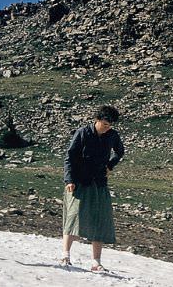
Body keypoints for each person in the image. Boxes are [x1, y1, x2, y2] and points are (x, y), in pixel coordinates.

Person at [61, 105, 124, 272]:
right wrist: (69, 179)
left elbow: (120, 151)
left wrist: (110, 165)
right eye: (104, 124)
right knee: (74, 216)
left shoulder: (112, 135)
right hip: (80, 181)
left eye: (110, 125)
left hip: (99, 182)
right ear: (97, 120)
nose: (107, 127)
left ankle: (96, 262)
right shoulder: (83, 133)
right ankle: (65, 255)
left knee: (100, 220)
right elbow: (70, 157)